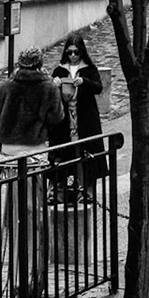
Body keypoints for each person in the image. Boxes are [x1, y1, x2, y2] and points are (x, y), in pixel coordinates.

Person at [0, 50, 67, 298]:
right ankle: (30, 284)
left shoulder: (7, 86)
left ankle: (18, 278)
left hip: (9, 153)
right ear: (41, 64)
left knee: (15, 214)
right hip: (34, 154)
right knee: (35, 217)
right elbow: (57, 118)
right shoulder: (47, 87)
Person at [50, 36, 105, 195]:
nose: (73, 56)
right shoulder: (60, 70)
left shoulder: (89, 68)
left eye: (76, 52)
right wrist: (55, 84)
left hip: (85, 118)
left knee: (86, 152)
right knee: (64, 153)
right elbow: (50, 92)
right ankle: (61, 190)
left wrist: (85, 82)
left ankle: (87, 189)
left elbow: (98, 88)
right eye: (70, 52)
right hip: (64, 120)